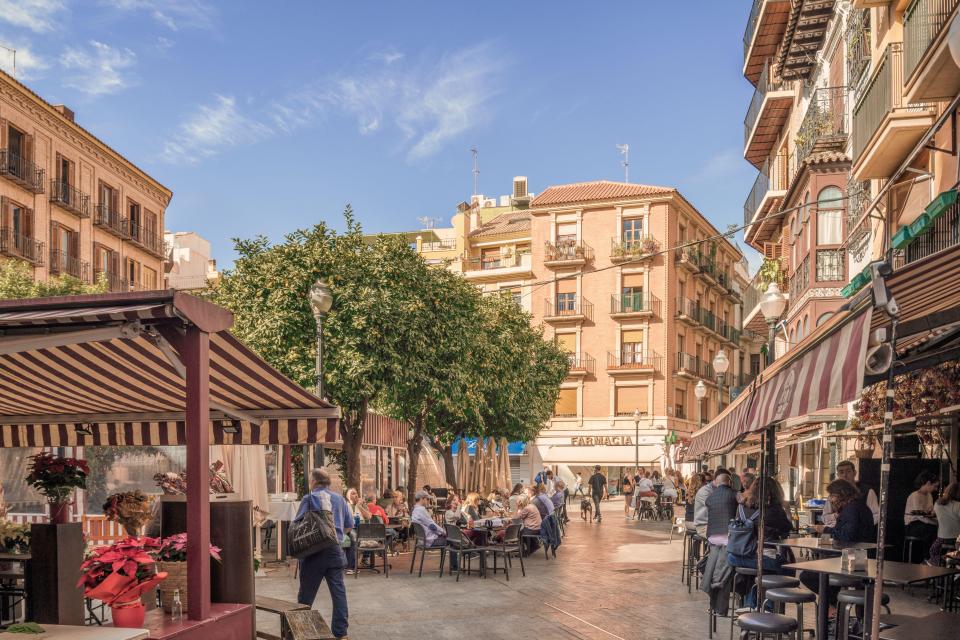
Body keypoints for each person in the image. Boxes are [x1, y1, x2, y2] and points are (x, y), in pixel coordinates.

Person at [295, 468, 352, 640]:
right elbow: (348, 525)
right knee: (338, 592)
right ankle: (341, 634)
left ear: (313, 482)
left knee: (306, 595)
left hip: (313, 553)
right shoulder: (340, 499)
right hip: (335, 551)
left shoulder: (309, 498)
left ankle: (301, 631)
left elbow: (297, 525)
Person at [803, 480, 876, 605]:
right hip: (862, 558)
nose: (830, 499)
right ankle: (837, 610)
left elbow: (846, 537)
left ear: (841, 494)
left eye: (832, 495)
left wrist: (824, 529)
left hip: (853, 560)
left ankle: (833, 605)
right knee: (825, 574)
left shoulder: (850, 510)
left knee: (807, 576)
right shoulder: (861, 507)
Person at [727, 477, 792, 608]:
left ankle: (749, 607)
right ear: (776, 492)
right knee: (786, 567)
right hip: (758, 557)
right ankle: (770, 607)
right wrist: (788, 512)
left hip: (735, 556)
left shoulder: (741, 506)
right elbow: (787, 529)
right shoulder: (774, 510)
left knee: (762, 574)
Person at [411, 489, 459, 571]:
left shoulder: (415, 510)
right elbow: (432, 526)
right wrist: (443, 532)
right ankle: (454, 567)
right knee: (453, 540)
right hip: (430, 540)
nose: (428, 501)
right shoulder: (421, 510)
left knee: (447, 538)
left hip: (422, 539)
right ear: (422, 499)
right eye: (427, 499)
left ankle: (447, 565)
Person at [822, 460, 880, 526]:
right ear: (838, 475)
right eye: (841, 472)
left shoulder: (867, 491)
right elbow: (825, 517)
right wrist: (837, 516)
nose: (845, 475)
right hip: (839, 532)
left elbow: (876, 515)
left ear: (854, 473)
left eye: (848, 471)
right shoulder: (834, 493)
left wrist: (860, 526)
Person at [904, 470, 940, 563]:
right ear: (928, 483)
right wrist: (934, 522)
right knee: (930, 529)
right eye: (935, 486)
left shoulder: (929, 496)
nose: (936, 489)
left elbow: (930, 513)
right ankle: (927, 558)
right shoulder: (914, 496)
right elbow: (919, 516)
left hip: (925, 523)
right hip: (912, 525)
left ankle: (932, 557)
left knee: (935, 529)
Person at [704, 473, 738, 546]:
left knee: (715, 554)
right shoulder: (735, 494)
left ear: (716, 483)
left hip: (711, 536)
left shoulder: (709, 498)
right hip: (729, 535)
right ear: (729, 482)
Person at [931, 482, 960, 566]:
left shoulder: (937, 504)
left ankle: (941, 566)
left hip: (941, 539)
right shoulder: (958, 505)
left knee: (932, 551)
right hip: (956, 540)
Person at [693, 471, 716, 537]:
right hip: (700, 524)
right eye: (707, 481)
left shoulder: (690, 493)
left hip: (694, 521)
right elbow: (713, 506)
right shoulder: (704, 492)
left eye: (709, 481)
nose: (708, 483)